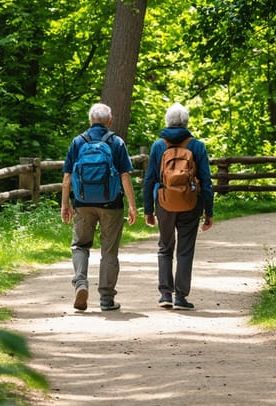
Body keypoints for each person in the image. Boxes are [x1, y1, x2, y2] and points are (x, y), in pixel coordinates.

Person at [61, 103, 137, 312]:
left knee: (80, 245)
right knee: (109, 251)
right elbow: (124, 176)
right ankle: (106, 299)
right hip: (111, 204)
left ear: (90, 120)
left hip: (83, 203)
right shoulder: (116, 142)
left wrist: (65, 204)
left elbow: (67, 177)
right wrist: (132, 205)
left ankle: (81, 283)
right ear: (109, 120)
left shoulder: (78, 142)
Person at [143, 103, 214, 310]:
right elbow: (206, 182)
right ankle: (180, 297)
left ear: (167, 121)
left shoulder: (158, 146)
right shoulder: (196, 146)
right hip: (191, 203)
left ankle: (165, 294)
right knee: (185, 250)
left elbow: (149, 179)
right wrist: (208, 212)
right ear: (186, 122)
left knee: (165, 247)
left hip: (164, 203)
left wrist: (148, 209)